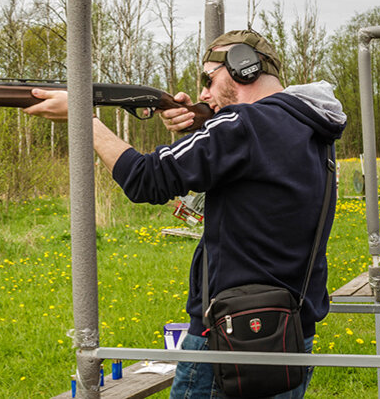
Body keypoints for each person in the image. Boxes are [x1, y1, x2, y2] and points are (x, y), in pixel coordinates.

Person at [25, 29, 346, 398]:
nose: (204, 93)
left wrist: (83, 120)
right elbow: (255, 162)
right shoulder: (310, 127)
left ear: (245, 68)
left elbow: (146, 179)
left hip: (228, 340)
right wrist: (201, 124)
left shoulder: (242, 126)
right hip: (289, 335)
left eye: (209, 78)